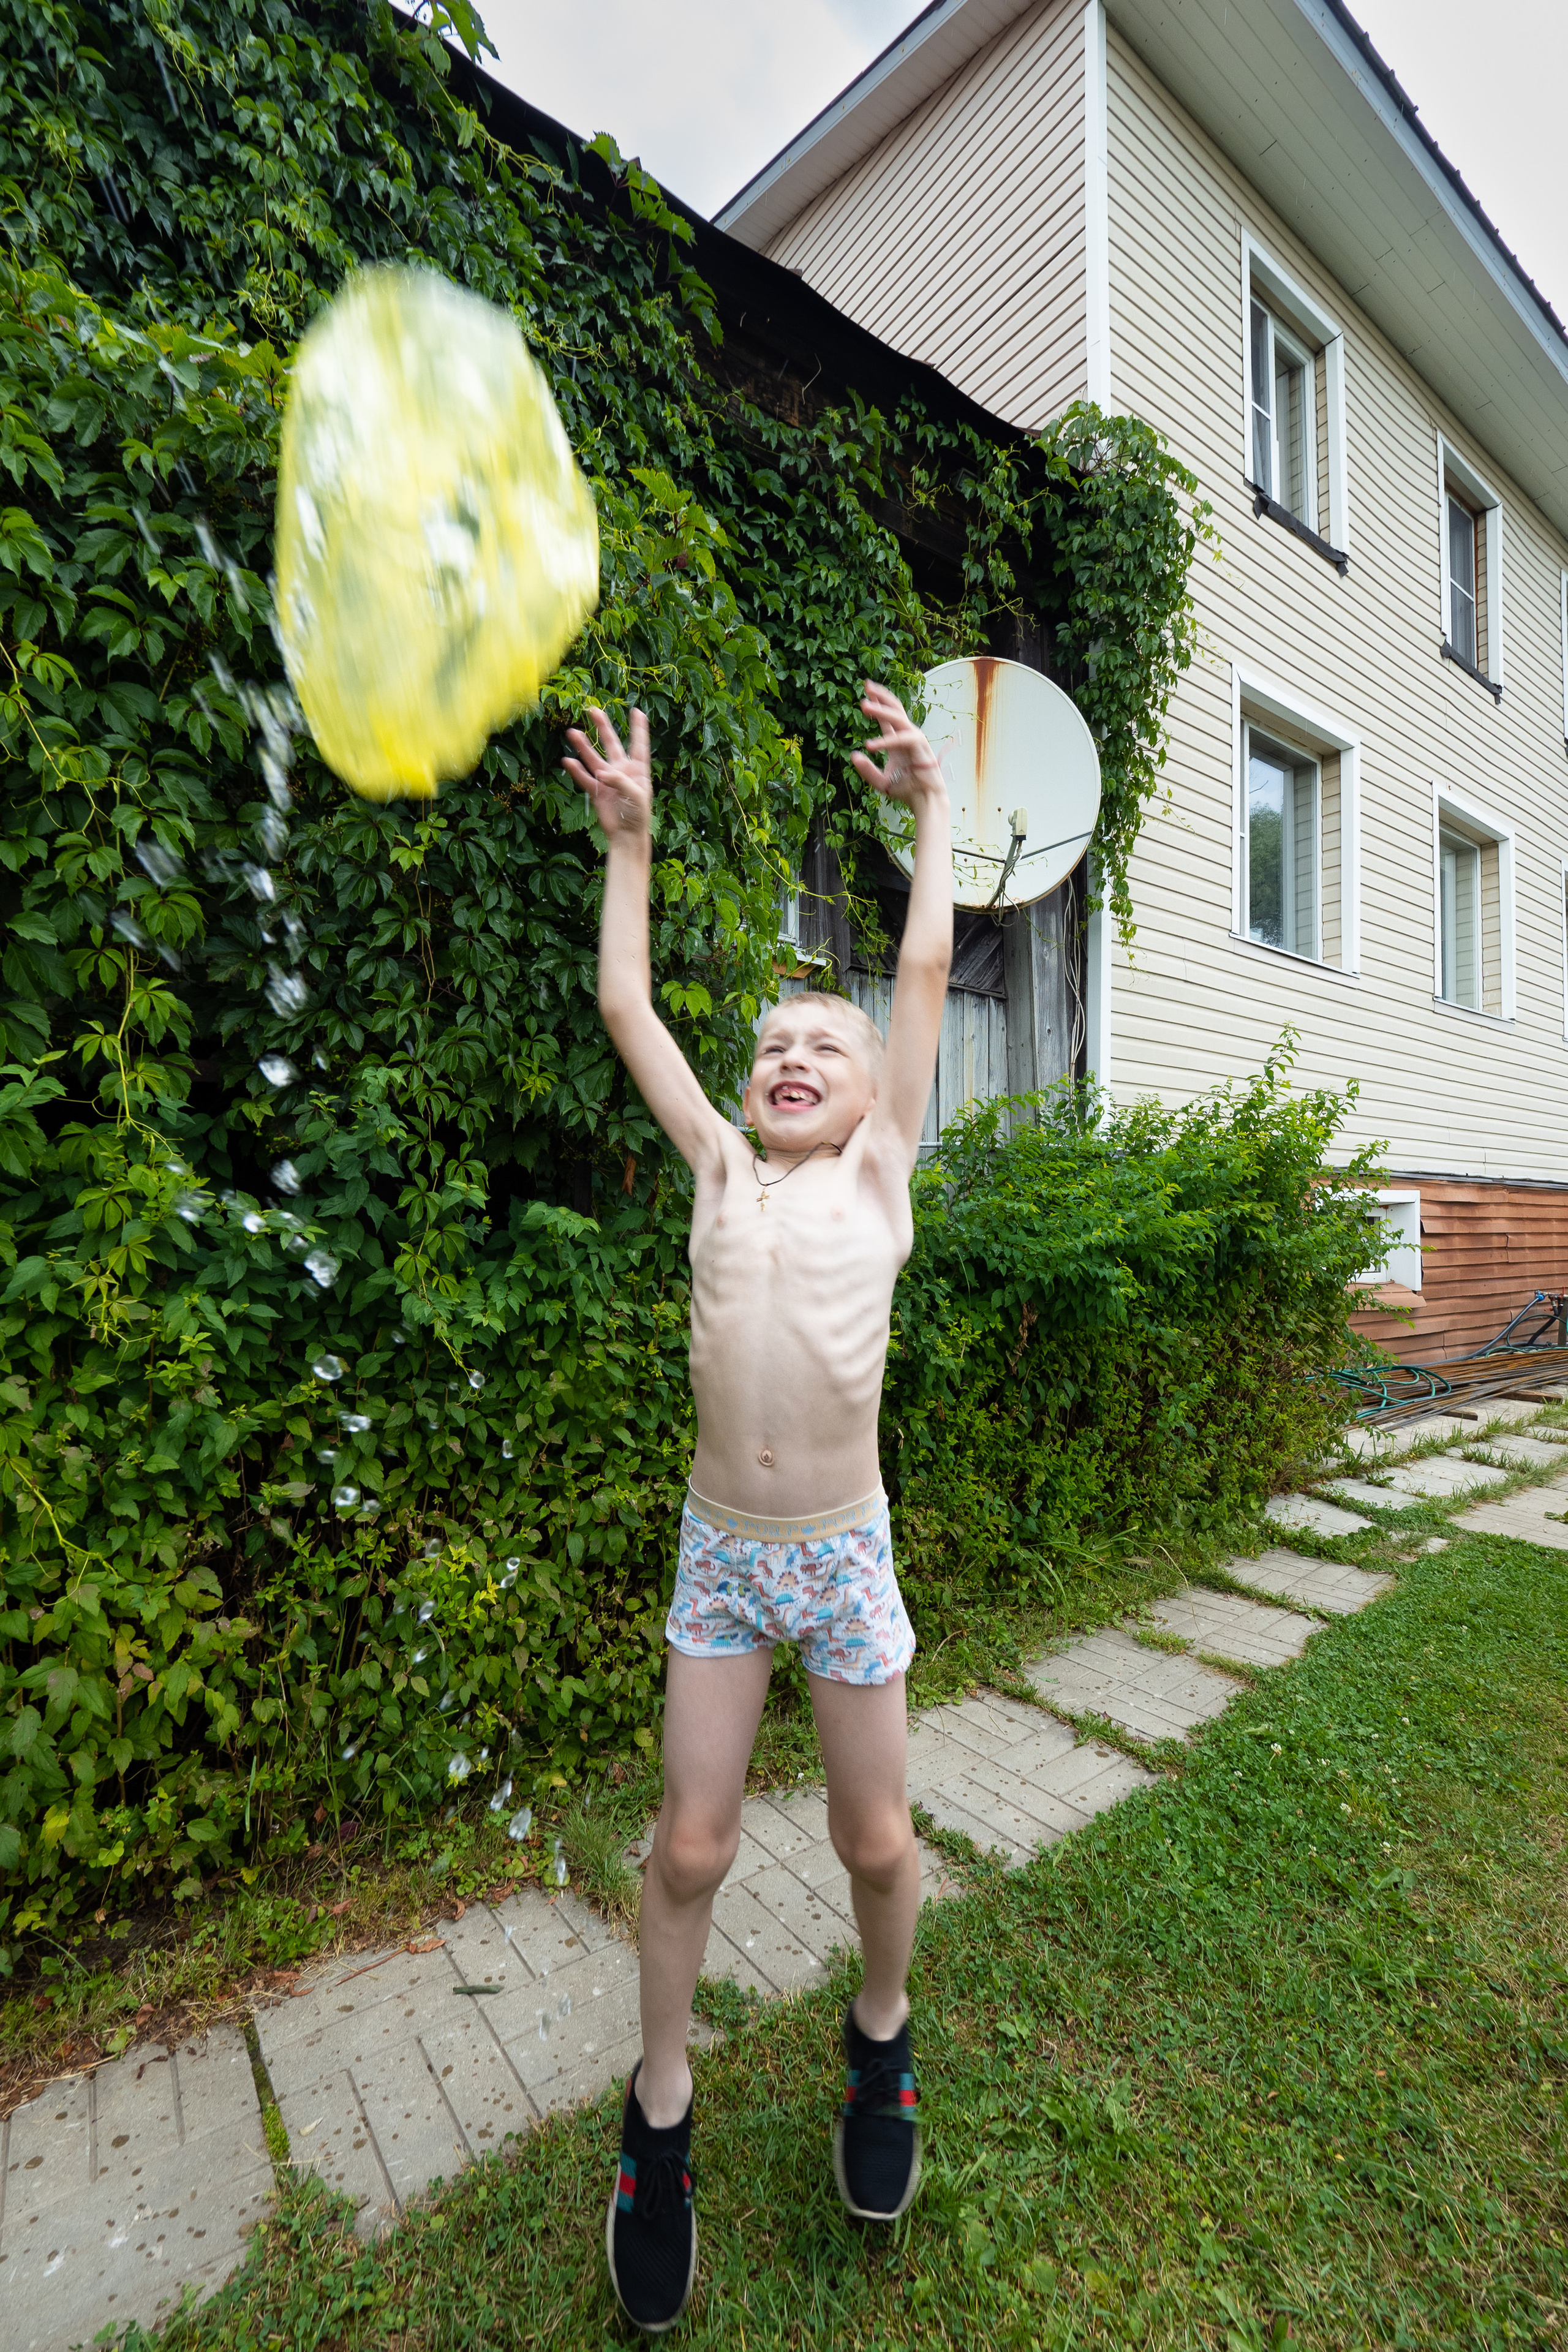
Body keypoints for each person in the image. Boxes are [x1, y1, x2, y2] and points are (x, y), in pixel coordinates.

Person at [562, 682, 952, 2335]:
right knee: (691, 1846)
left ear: (874, 1099)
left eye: (827, 1045)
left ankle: (883, 2037)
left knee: (876, 1843)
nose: (794, 1055)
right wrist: (631, 847)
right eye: (775, 1045)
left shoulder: (880, 1180)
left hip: (845, 1557)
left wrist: (934, 822)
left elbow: (919, 970)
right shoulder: (721, 1170)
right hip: (723, 1559)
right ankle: (660, 2117)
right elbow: (629, 1001)